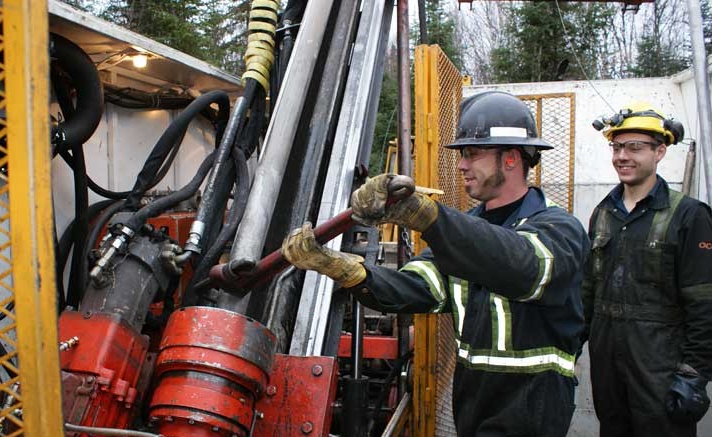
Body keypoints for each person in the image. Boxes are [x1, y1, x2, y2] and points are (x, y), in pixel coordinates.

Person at [282, 91, 589, 436]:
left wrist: (428, 217)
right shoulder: (464, 235)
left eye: (472, 154)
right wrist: (344, 269)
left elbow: (521, 266)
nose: (461, 165)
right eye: (462, 155)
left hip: (533, 410)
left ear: (511, 159)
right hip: (473, 409)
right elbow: (415, 287)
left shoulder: (559, 230)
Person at [582, 103, 712, 436]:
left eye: (634, 147)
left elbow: (705, 302)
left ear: (660, 152)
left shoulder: (689, 215)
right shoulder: (603, 213)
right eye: (617, 147)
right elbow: (587, 291)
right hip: (608, 361)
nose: (622, 156)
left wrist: (694, 374)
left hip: (660, 367)